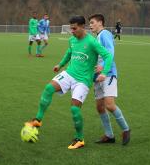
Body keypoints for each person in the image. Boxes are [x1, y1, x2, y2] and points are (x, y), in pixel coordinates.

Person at [23, 15, 113, 149]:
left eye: (74, 28)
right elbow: (69, 53)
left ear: (83, 27)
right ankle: (38, 120)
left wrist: (104, 72)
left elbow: (108, 55)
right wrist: (60, 65)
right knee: (48, 88)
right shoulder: (72, 40)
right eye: (71, 28)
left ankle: (79, 139)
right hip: (69, 73)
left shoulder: (92, 42)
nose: (72, 31)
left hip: (83, 80)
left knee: (74, 109)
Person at [89, 14, 130, 145]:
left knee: (109, 105)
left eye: (92, 22)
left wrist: (103, 68)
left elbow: (110, 52)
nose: (90, 25)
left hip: (108, 74)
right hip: (98, 76)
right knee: (100, 107)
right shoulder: (97, 37)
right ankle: (109, 135)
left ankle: (126, 129)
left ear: (100, 22)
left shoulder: (105, 34)